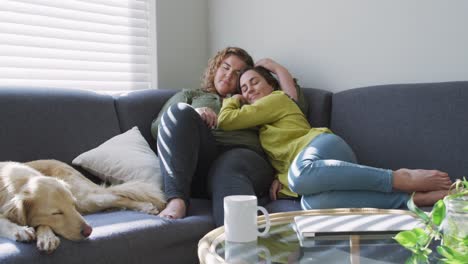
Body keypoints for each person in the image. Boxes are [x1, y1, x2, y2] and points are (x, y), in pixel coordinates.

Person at [217, 60, 452, 209]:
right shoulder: (262, 121)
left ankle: (399, 178)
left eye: (254, 82)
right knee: (311, 203)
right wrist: (282, 178)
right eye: (244, 89)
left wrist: (232, 99)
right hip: (316, 172)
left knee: (299, 177)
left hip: (322, 146)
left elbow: (226, 121)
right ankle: (412, 199)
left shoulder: (276, 99)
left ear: (272, 86)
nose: (248, 91)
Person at [151, 47, 274, 226]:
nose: (229, 75)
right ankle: (176, 200)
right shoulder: (190, 95)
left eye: (237, 73)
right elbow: (158, 128)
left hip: (244, 160)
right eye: (225, 67)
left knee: (229, 164)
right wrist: (194, 112)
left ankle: (239, 247)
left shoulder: (251, 99)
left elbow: (293, 106)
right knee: (179, 111)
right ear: (215, 68)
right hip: (200, 164)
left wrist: (275, 68)